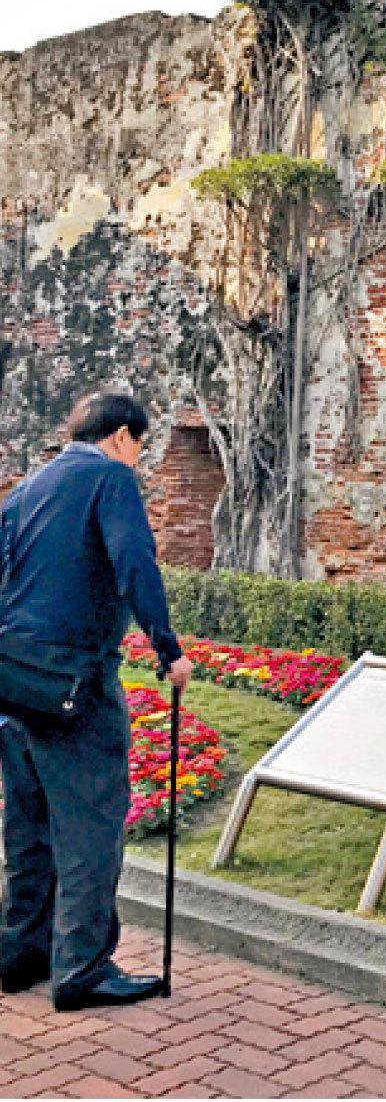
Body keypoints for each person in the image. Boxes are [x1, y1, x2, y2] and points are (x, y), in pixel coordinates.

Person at [0, 391, 194, 1011]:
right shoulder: (110, 479)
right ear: (120, 437)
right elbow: (136, 561)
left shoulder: (29, 488)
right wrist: (168, 649)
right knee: (90, 825)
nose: (139, 458)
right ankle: (82, 969)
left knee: (28, 826)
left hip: (13, 678)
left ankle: (19, 956)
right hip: (73, 685)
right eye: (140, 445)